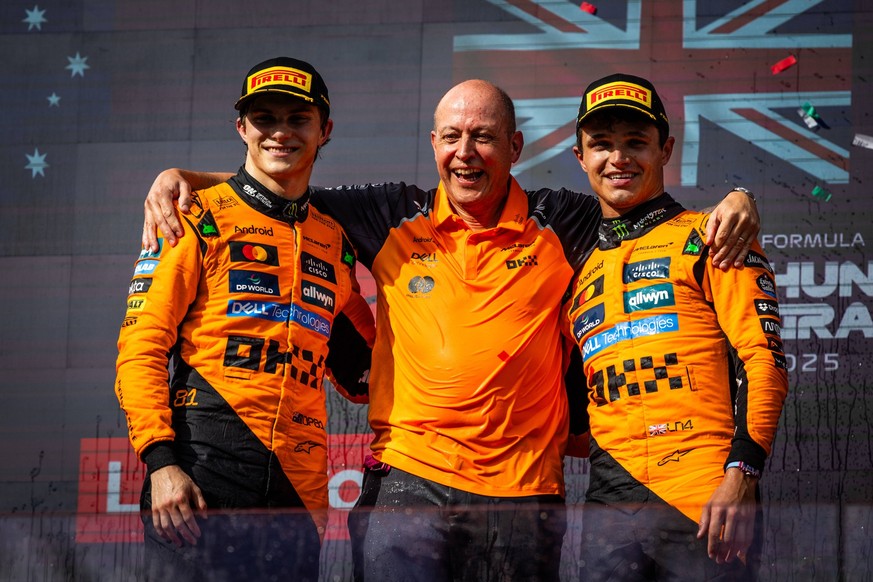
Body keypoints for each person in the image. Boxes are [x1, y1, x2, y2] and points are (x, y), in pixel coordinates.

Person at [140, 79, 760, 581]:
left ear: (515, 147)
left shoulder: (562, 219)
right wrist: (184, 178)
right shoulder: (390, 213)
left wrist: (736, 200)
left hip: (526, 494)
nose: (467, 152)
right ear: (433, 143)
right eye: (453, 137)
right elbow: (279, 186)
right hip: (408, 485)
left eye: (484, 137)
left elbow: (648, 217)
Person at [115, 56, 375, 582]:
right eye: (264, 119)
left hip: (298, 491)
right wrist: (161, 464)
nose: (280, 132)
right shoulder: (192, 216)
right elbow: (140, 350)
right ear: (242, 128)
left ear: (324, 130)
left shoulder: (333, 241)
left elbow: (366, 369)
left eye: (298, 119)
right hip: (200, 472)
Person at [566, 73, 789, 581]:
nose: (618, 158)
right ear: (580, 157)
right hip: (608, 503)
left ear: (665, 150)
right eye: (601, 144)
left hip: (704, 496)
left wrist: (742, 474)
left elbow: (764, 360)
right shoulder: (574, 269)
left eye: (636, 142)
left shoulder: (715, 236)